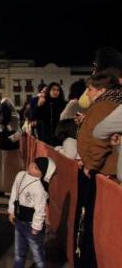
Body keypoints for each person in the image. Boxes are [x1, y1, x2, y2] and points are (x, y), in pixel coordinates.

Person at [74, 69, 122, 267]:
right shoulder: (105, 104)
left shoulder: (105, 105)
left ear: (101, 90)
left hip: (99, 170)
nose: (88, 93)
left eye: (90, 89)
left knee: (94, 221)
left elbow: (100, 136)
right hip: (98, 168)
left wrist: (90, 164)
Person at [8, 157, 56, 268]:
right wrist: (11, 211)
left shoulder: (39, 189)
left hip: (32, 225)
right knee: (19, 252)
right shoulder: (20, 175)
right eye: (33, 163)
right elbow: (14, 193)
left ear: (41, 174)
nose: (31, 166)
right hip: (19, 221)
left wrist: (36, 227)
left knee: (37, 254)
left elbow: (40, 210)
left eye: (36, 168)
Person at [0, 98, 23, 195]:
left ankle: (12, 189)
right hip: (0, 148)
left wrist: (12, 138)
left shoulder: (15, 118)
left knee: (11, 169)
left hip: (12, 148)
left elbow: (19, 131)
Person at [55, 79, 86, 159]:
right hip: (73, 134)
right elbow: (63, 117)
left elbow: (62, 117)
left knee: (73, 156)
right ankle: (58, 150)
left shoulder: (73, 102)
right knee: (72, 156)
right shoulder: (74, 103)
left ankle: (59, 150)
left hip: (74, 134)